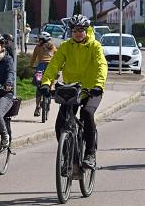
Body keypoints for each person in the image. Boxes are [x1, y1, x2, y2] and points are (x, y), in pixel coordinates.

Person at [40, 14, 108, 168]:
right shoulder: (65, 46)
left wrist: (98, 85)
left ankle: (90, 154)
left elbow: (101, 65)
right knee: (60, 125)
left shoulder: (95, 46)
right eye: (75, 30)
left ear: (87, 30)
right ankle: (68, 160)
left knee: (87, 114)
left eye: (81, 29)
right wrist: (46, 83)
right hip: (71, 89)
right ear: (71, 31)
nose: (78, 33)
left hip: (91, 90)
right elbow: (54, 66)